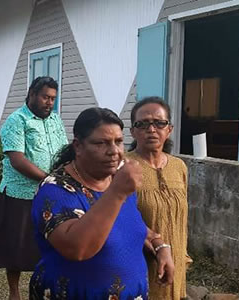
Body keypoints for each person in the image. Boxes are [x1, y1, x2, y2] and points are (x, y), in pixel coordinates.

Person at [28, 107, 175, 299]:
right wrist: (117, 193)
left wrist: (159, 245)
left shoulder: (117, 181)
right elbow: (77, 248)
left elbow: (128, 224)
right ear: (78, 146)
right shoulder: (55, 190)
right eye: (101, 143)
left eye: (119, 142)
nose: (114, 151)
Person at [0, 76, 69, 299]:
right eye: (45, 97)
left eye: (53, 99)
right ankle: (14, 291)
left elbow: (65, 151)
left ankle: (48, 285)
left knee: (51, 240)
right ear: (32, 95)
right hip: (20, 193)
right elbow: (17, 159)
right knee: (16, 244)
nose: (49, 103)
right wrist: (48, 178)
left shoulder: (55, 120)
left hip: (50, 193)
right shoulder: (16, 121)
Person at [127, 97, 190, 300]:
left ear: (169, 129)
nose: (151, 129)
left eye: (159, 123)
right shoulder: (123, 167)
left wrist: (182, 257)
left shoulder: (179, 167)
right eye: (143, 124)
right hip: (139, 264)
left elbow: (182, 220)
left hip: (176, 263)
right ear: (133, 132)